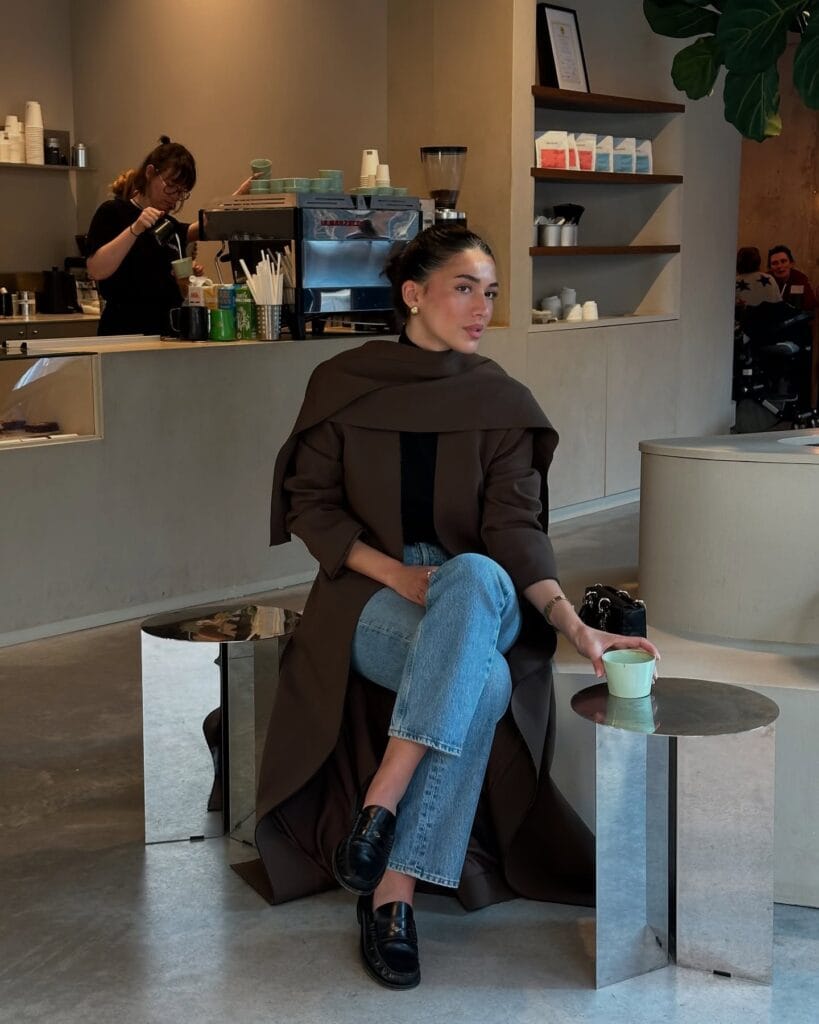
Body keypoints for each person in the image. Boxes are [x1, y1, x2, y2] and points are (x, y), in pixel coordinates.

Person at [256, 225, 660, 990]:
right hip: (372, 599)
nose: (482, 308)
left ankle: (379, 806)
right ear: (413, 295)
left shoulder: (499, 399)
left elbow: (514, 529)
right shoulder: (343, 383)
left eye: (492, 293)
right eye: (465, 288)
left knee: (472, 575)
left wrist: (571, 623)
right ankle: (393, 892)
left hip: (485, 593)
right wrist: (397, 576)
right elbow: (312, 507)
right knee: (483, 685)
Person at [86, 136, 253, 336]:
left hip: (166, 332)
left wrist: (236, 200)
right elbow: (96, 269)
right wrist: (135, 229)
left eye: (182, 192)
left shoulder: (167, 224)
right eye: (171, 186)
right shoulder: (114, 211)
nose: (174, 196)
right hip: (125, 331)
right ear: (150, 173)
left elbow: (201, 228)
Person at [767, 245, 818, 312]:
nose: (779, 266)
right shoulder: (765, 279)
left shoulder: (799, 278)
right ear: (770, 268)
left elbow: (809, 305)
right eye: (774, 263)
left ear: (791, 264)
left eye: (783, 261)